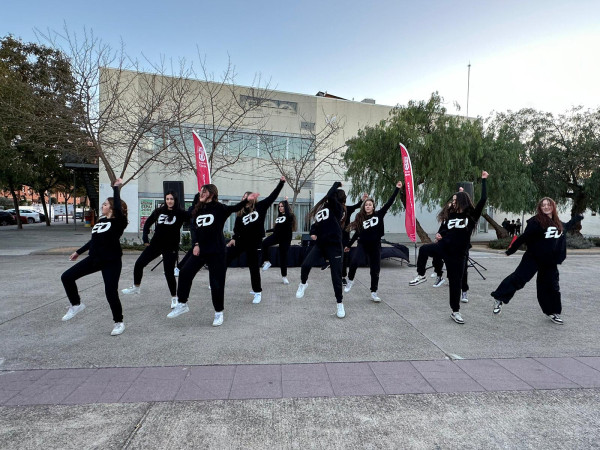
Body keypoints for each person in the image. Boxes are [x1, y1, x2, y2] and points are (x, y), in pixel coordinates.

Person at [168, 184, 258, 326]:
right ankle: (182, 303)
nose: (201, 193)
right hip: (202, 250)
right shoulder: (197, 209)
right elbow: (194, 228)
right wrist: (196, 244)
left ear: (211, 193)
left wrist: (247, 200)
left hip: (217, 252)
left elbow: (233, 208)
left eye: (203, 191)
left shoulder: (219, 208)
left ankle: (218, 313)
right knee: (185, 273)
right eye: (200, 191)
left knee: (216, 283)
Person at [408, 171, 489, 324]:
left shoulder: (471, 216)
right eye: (452, 200)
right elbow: (445, 230)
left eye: (455, 200)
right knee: (424, 250)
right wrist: (440, 235)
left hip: (458, 255)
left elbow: (483, 199)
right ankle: (421, 275)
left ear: (462, 201)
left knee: (455, 283)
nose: (452, 202)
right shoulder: (450, 216)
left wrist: (483, 180)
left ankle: (455, 311)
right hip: (444, 247)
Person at [491, 198, 583, 324]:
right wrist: (510, 251)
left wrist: (576, 219)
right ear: (540, 208)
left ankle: (552, 312)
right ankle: (499, 298)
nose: (546, 207)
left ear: (553, 206)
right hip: (533, 257)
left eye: (548, 204)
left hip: (549, 261)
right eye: (543, 205)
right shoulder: (536, 222)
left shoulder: (557, 222)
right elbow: (524, 237)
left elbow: (565, 227)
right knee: (519, 278)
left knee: (551, 287)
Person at [60, 178, 128, 336]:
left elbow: (118, 207)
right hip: (94, 259)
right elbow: (93, 240)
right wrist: (78, 252)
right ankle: (76, 304)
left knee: (111, 292)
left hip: (111, 261)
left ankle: (118, 322)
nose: (102, 206)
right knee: (67, 277)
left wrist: (116, 189)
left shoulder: (119, 221)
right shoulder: (101, 221)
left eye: (105, 204)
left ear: (111, 207)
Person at [122, 191, 190, 308]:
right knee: (139, 264)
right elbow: (148, 223)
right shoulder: (159, 211)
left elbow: (193, 216)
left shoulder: (180, 213)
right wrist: (145, 237)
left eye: (171, 199)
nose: (169, 201)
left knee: (169, 273)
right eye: (167, 199)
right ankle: (136, 287)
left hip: (170, 247)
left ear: (175, 200)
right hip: (156, 244)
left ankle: (174, 298)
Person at [227, 177, 285, 304]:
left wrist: (281, 183)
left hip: (254, 243)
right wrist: (233, 239)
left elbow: (272, 196)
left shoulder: (261, 206)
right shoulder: (240, 212)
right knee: (225, 258)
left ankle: (257, 292)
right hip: (242, 242)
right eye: (243, 197)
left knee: (253, 267)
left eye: (247, 197)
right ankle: (215, 281)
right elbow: (236, 229)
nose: (244, 199)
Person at [344, 181, 402, 302]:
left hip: (375, 246)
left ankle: (374, 292)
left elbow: (390, 203)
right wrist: (349, 245)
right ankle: (350, 281)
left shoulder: (379, 214)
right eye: (366, 205)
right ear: (364, 207)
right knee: (354, 261)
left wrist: (397, 189)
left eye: (370, 205)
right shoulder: (360, 218)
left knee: (375, 270)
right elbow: (357, 233)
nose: (368, 206)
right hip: (363, 244)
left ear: (373, 206)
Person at [296, 182, 347, 319]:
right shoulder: (322, 210)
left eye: (333, 196)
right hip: (320, 244)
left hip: (334, 245)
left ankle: (339, 303)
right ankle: (303, 283)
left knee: (336, 277)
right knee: (306, 265)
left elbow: (330, 194)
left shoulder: (338, 209)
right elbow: (316, 225)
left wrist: (336, 184)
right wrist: (313, 231)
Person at [261, 196, 297, 285]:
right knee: (264, 243)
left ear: (286, 207)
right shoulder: (279, 217)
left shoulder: (290, 216)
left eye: (282, 206)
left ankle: (284, 276)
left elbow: (288, 215)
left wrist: (286, 201)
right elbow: (276, 229)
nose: (280, 208)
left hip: (285, 239)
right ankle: (267, 262)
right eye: (279, 206)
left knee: (283, 258)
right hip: (276, 236)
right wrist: (266, 231)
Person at [341, 193, 368, 285]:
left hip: (344, 237)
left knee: (344, 257)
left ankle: (343, 276)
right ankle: (337, 273)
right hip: (335, 237)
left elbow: (356, 206)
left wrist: (362, 200)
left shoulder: (347, 209)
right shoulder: (333, 210)